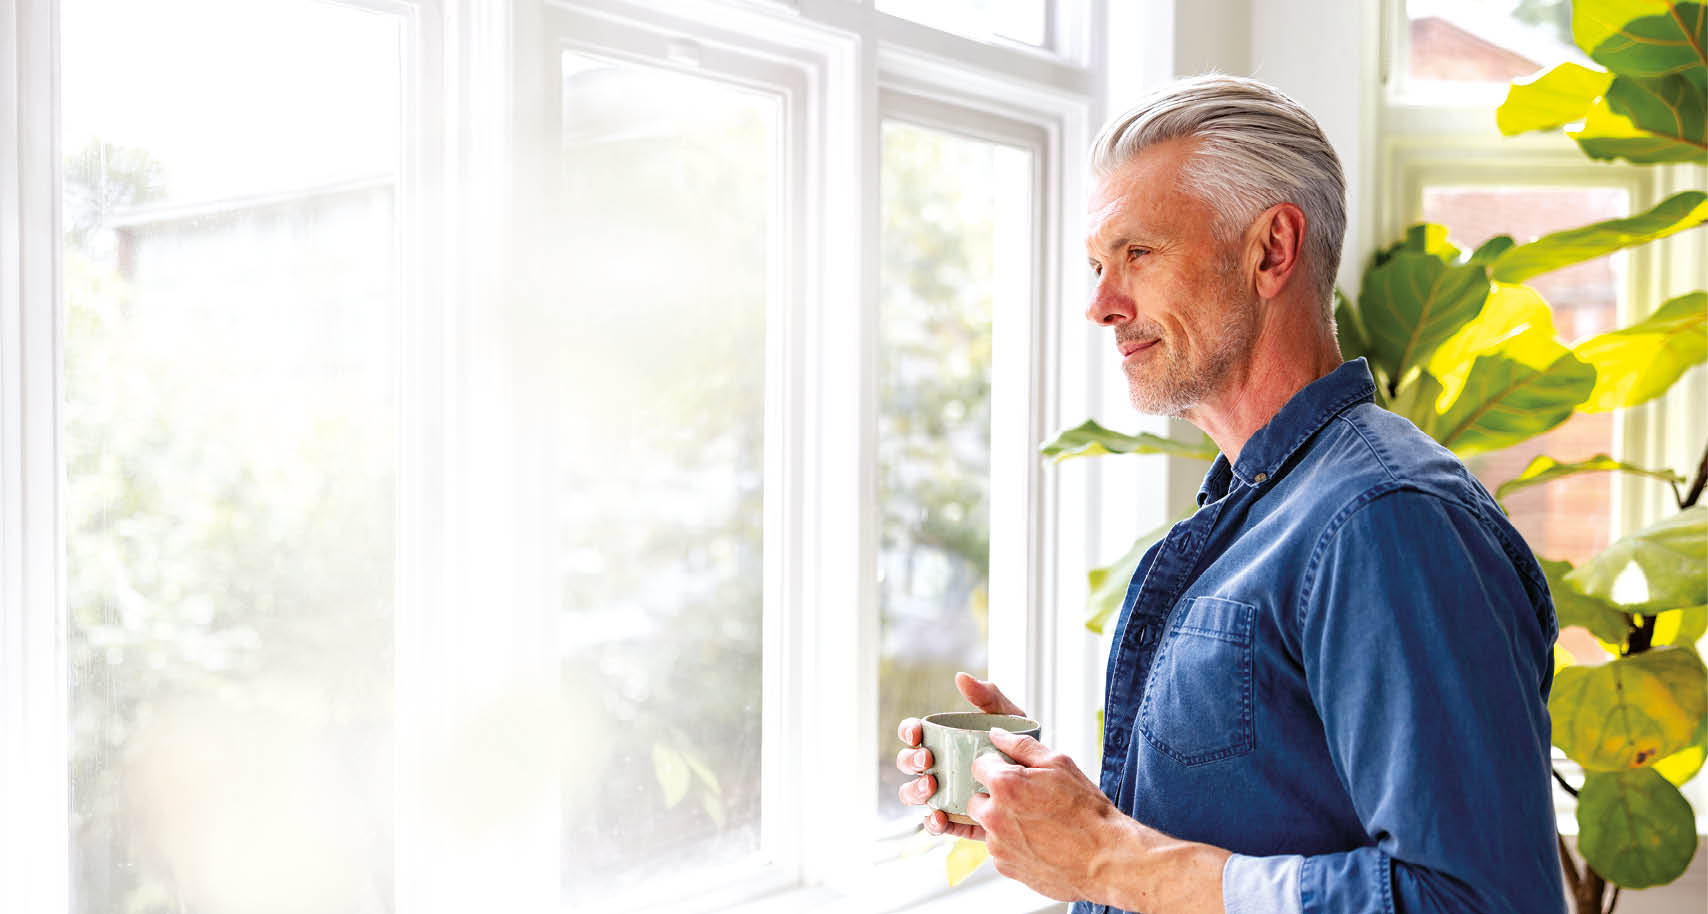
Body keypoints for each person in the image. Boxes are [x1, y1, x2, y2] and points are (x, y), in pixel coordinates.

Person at [895, 75, 1564, 914]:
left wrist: (1110, 862)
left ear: (1271, 251)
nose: (1101, 304)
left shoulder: (1386, 519)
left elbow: (1479, 901)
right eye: (1098, 264)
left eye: (1138, 254)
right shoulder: (1262, 508)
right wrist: (1069, 827)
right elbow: (1256, 830)